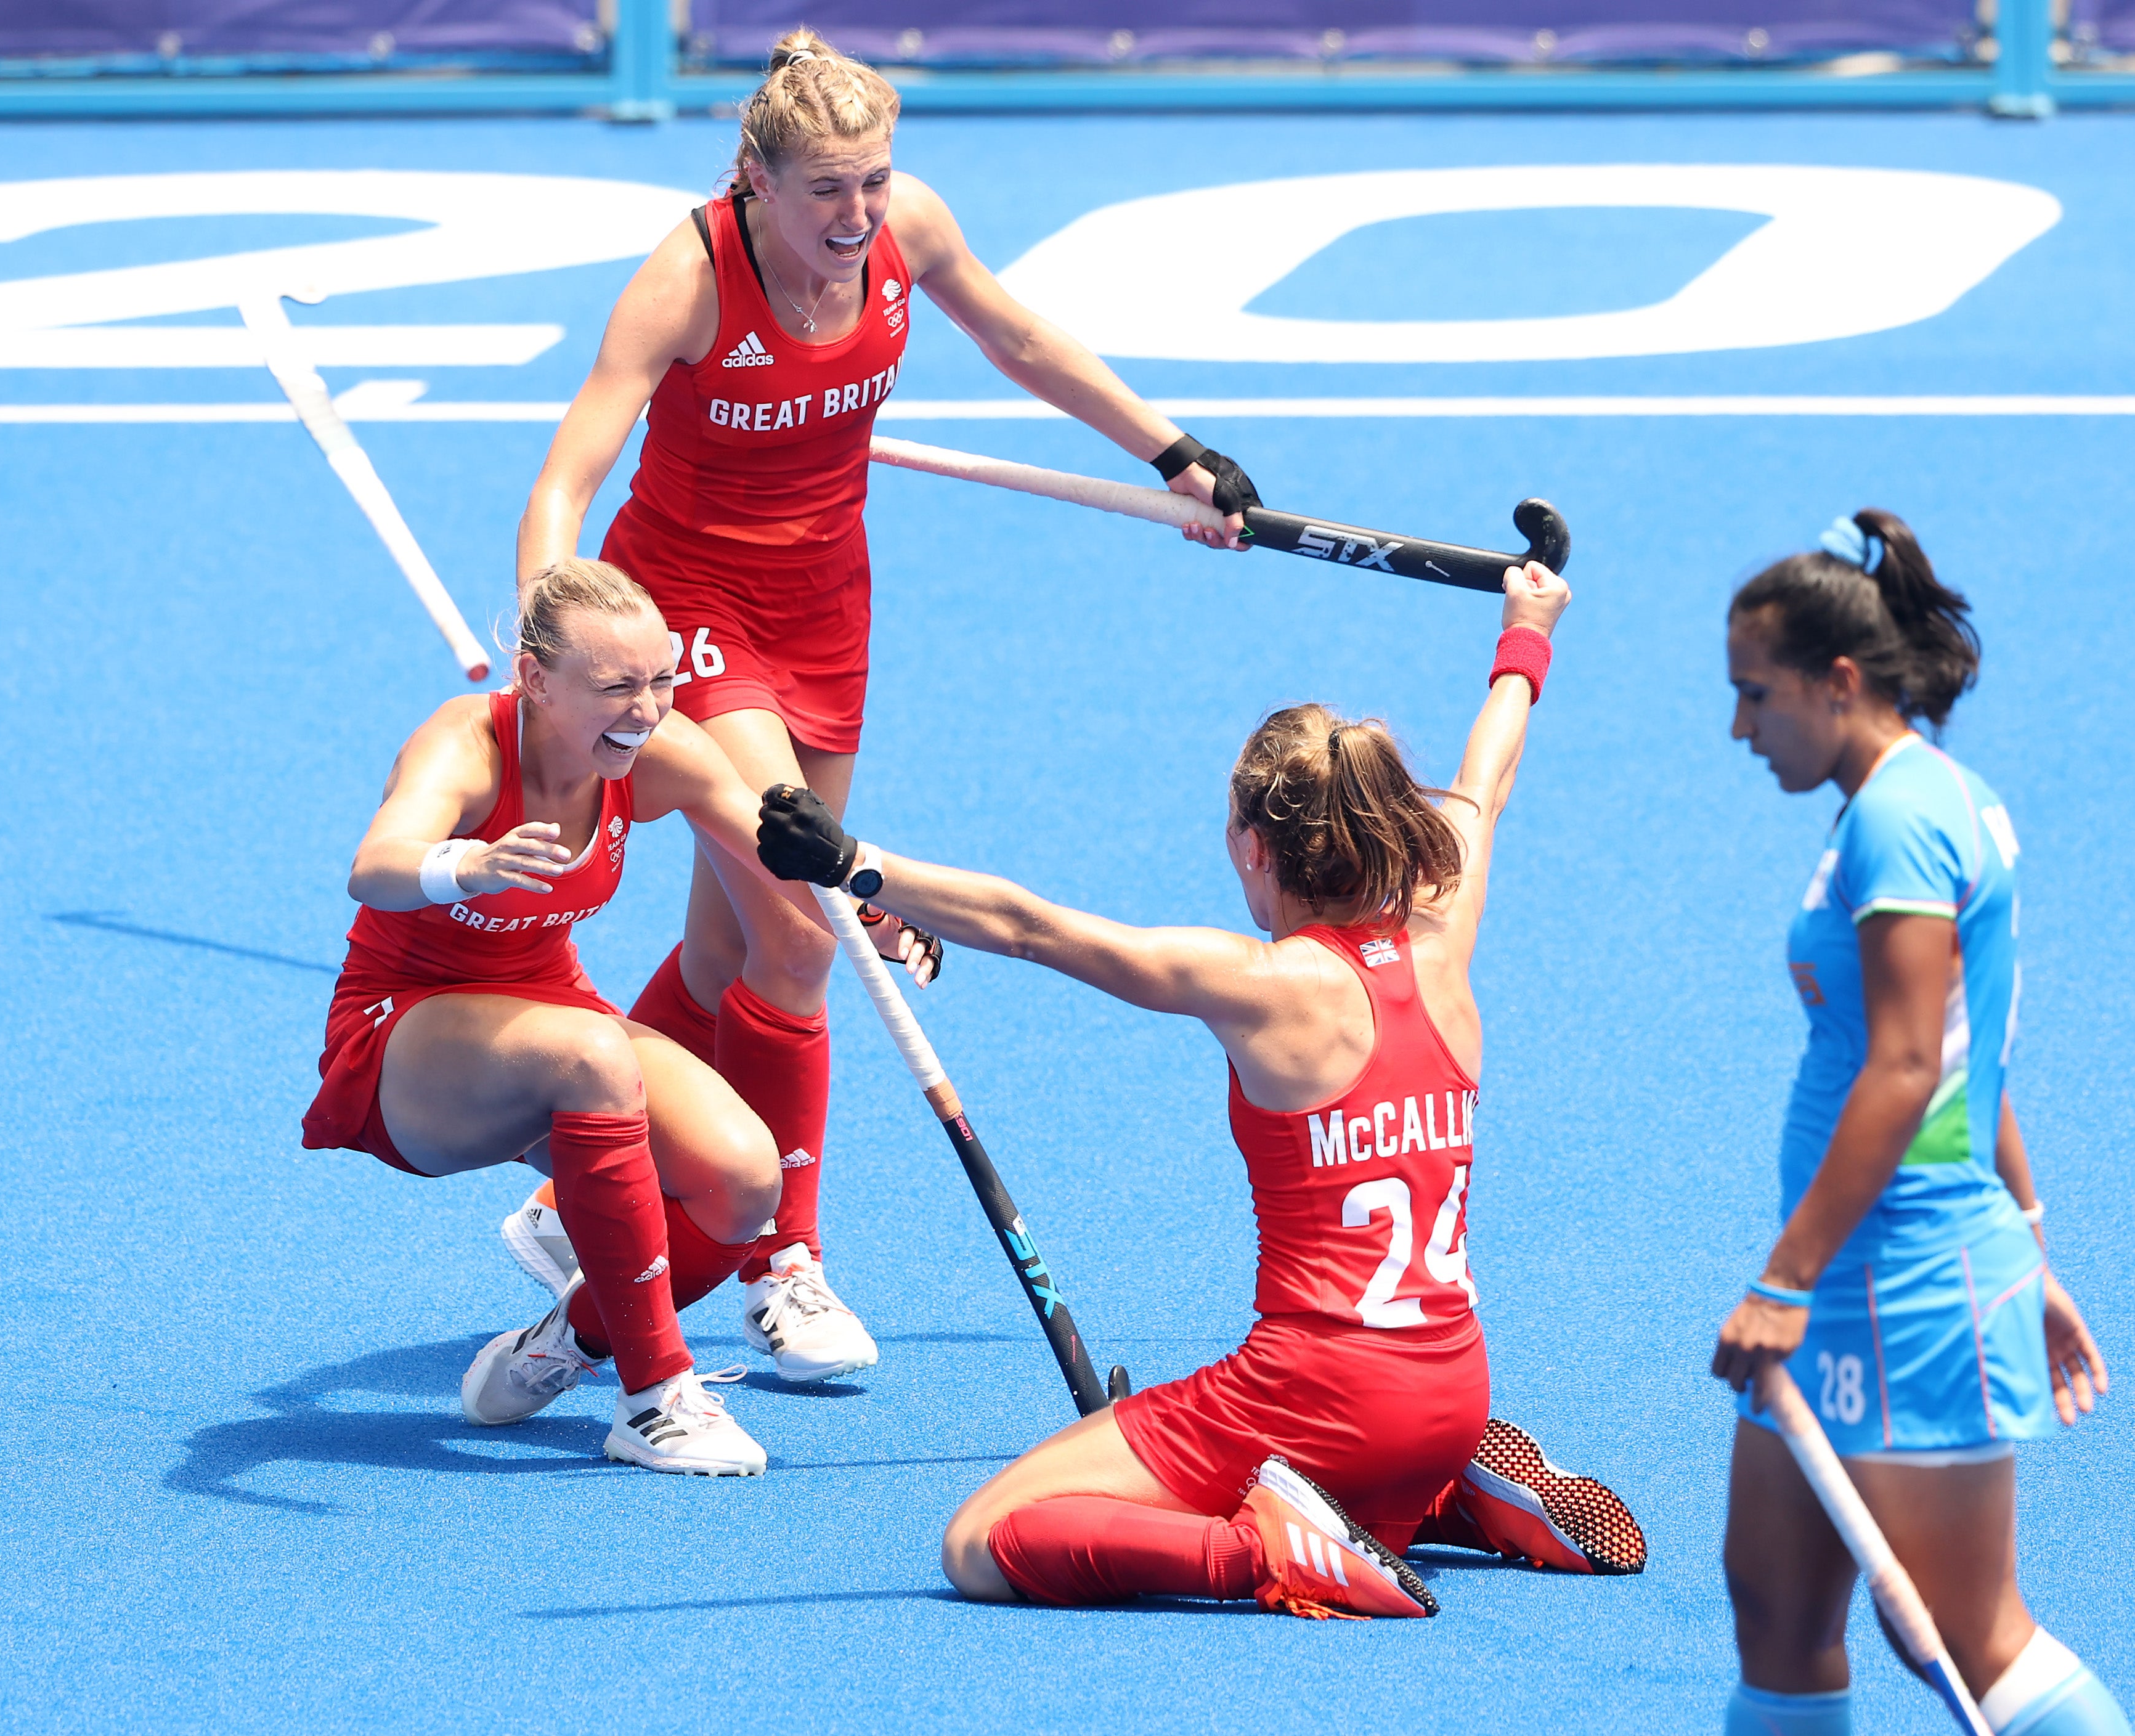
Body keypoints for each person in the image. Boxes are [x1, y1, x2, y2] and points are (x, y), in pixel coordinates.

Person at [504, 26, 1262, 1385]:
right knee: (803, 926)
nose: (858, 217)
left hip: (828, 615)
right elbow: (570, 471)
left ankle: (572, 1196)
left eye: (874, 182)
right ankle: (780, 1259)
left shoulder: (905, 227)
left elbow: (1019, 332)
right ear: (755, 178)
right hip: (687, 615)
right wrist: (547, 637)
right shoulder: (689, 276)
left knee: (733, 955)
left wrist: (1173, 452)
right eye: (826, 191)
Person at [757, 563, 1649, 1617]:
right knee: (1359, 1454)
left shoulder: (1266, 985)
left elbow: (1038, 928)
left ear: (1257, 847)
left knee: (982, 1541)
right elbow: (1487, 773)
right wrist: (1526, 633)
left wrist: (858, 861)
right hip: (1455, 1388)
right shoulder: (1444, 927)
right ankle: (1443, 1491)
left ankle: (1274, 1551)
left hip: (1314, 1397)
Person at [299, 558, 931, 1477]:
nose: (647, 708)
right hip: (407, 1038)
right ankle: (657, 1396)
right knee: (595, 1053)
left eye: (663, 677)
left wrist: (873, 912)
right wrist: (460, 867)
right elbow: (376, 863)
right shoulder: (466, 746)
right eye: (617, 686)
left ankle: (565, 1341)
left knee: (743, 1181)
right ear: (536, 680)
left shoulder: (660, 754)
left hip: (554, 1019)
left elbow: (778, 859)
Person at [1708, 512, 2119, 1735]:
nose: (1741, 729)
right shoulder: (1924, 800)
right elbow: (1969, 1063)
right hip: (1870, 1265)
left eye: (1755, 695)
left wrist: (1784, 1279)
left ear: (1840, 682)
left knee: (1968, 1631)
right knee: (1777, 1611)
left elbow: (1905, 1066)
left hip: (1906, 1271)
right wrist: (2033, 1243)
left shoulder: (1903, 819)